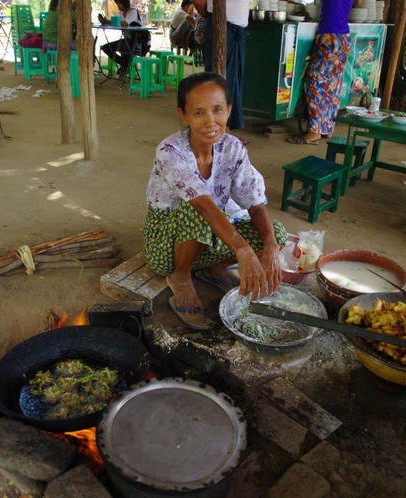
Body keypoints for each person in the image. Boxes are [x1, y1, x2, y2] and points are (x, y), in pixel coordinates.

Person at [143, 72, 287, 330]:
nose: (210, 121)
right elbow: (203, 205)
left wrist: (271, 247)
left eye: (217, 109)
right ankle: (181, 276)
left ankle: (211, 269)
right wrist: (243, 251)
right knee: (198, 210)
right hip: (165, 246)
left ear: (229, 110)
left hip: (208, 238)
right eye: (198, 113)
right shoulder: (170, 151)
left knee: (275, 233)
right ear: (183, 115)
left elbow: (254, 203)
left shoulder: (233, 148)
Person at [288, 0, 353, 145]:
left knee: (314, 82)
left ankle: (315, 131)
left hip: (330, 37)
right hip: (344, 38)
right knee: (333, 84)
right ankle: (328, 127)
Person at [193, 0, 248, 132]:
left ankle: (225, 131)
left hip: (236, 31)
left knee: (232, 82)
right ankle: (216, 132)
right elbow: (198, 2)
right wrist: (213, 17)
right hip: (221, 26)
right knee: (218, 82)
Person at [98, 0, 148, 76]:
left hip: (137, 42)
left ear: (125, 4)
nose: (118, 7)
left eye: (119, 5)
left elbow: (125, 23)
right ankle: (124, 64)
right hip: (127, 40)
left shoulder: (133, 12)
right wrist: (106, 21)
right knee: (106, 47)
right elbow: (114, 21)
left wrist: (109, 22)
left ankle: (124, 66)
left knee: (125, 47)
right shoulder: (120, 14)